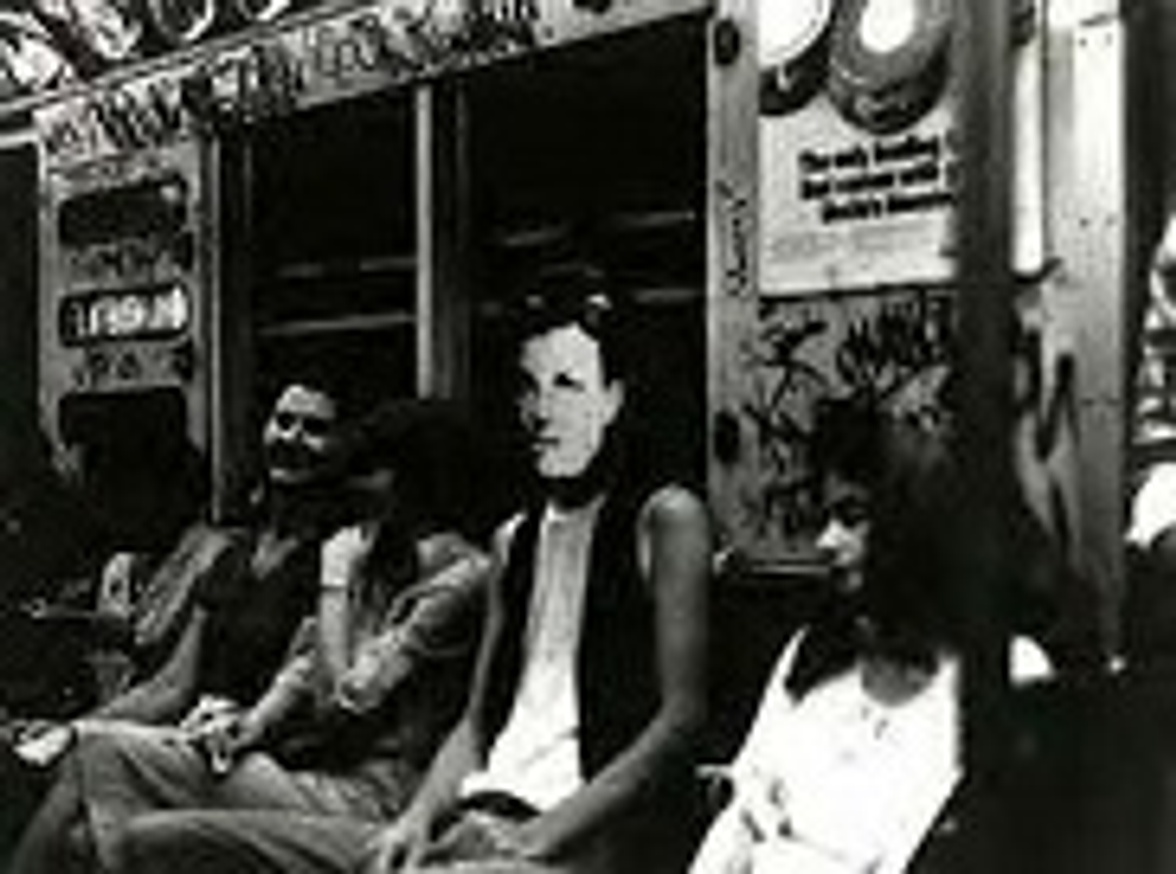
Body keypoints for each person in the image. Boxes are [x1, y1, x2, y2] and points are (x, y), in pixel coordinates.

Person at [109, 261, 714, 874]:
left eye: (567, 385)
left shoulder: (663, 518)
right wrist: (420, 820)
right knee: (154, 844)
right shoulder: (517, 541)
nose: (541, 410)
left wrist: (543, 837)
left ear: (614, 398)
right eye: (529, 389)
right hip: (473, 815)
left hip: (581, 837)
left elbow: (681, 720)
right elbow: (479, 725)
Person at [106, 399, 492, 870]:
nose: (357, 487)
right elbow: (304, 666)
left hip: (379, 796)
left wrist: (334, 577)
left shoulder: (459, 579)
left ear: (413, 484)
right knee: (102, 758)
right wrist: (249, 725)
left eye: (372, 473)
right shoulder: (370, 557)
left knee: (135, 820)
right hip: (316, 773)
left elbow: (342, 703)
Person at [6, 375, 352, 874]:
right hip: (193, 739)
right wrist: (72, 727)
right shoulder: (235, 554)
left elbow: (311, 691)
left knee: (82, 822)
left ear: (343, 449)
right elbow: (173, 686)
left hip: (265, 753)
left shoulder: (338, 561)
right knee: (65, 791)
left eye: (314, 428)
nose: (291, 438)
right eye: (283, 422)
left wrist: (85, 736)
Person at [688, 398, 966, 874]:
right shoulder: (813, 652)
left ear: (911, 522)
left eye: (852, 517)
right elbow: (739, 819)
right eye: (826, 519)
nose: (826, 541)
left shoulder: (991, 672)